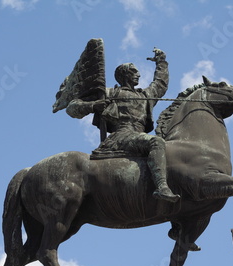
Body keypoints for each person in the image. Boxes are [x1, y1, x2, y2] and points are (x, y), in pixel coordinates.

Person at [66, 48, 180, 203]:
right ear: (124, 75)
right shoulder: (109, 93)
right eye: (134, 71)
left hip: (137, 135)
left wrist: (161, 62)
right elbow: (72, 107)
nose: (138, 74)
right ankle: (162, 187)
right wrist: (93, 106)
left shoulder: (144, 96)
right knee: (156, 141)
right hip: (121, 136)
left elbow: (160, 84)